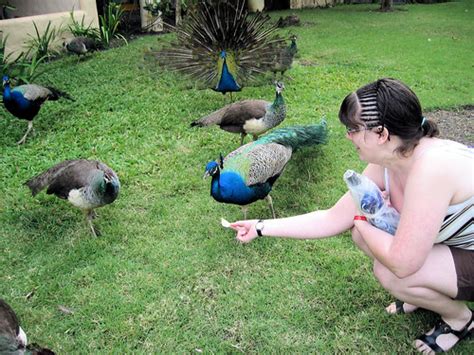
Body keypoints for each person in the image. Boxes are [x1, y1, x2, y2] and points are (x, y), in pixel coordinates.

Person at [229, 78, 473, 354]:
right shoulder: (392, 158)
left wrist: (361, 217)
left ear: (381, 134)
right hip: (456, 243)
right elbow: (332, 218)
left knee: (391, 273)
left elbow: (402, 263)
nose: (347, 136)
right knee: (366, 238)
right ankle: (426, 293)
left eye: (353, 129)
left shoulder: (430, 169)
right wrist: (260, 227)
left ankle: (460, 320)